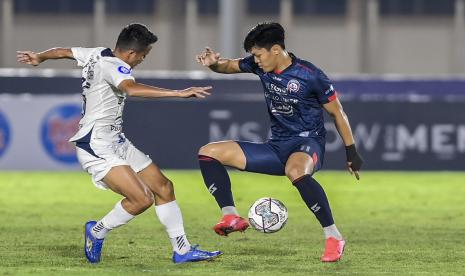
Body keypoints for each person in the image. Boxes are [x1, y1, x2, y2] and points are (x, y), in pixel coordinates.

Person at [17, 23, 222, 264]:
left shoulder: (97, 53)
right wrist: (178, 93)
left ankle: (183, 250)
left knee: (164, 187)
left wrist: (40, 56)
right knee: (142, 199)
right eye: (144, 56)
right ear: (133, 53)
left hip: (117, 141)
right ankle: (97, 231)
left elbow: (64, 51)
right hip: (96, 146)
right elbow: (132, 89)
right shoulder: (116, 66)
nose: (142, 60)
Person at [195, 22, 363, 262]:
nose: (256, 60)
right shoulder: (259, 65)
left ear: (275, 50)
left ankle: (333, 236)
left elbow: (338, 113)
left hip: (307, 144)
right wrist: (213, 64)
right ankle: (231, 216)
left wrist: (351, 152)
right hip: (275, 147)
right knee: (208, 152)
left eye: (258, 54)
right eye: (253, 55)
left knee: (295, 170)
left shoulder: (310, 75)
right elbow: (229, 66)